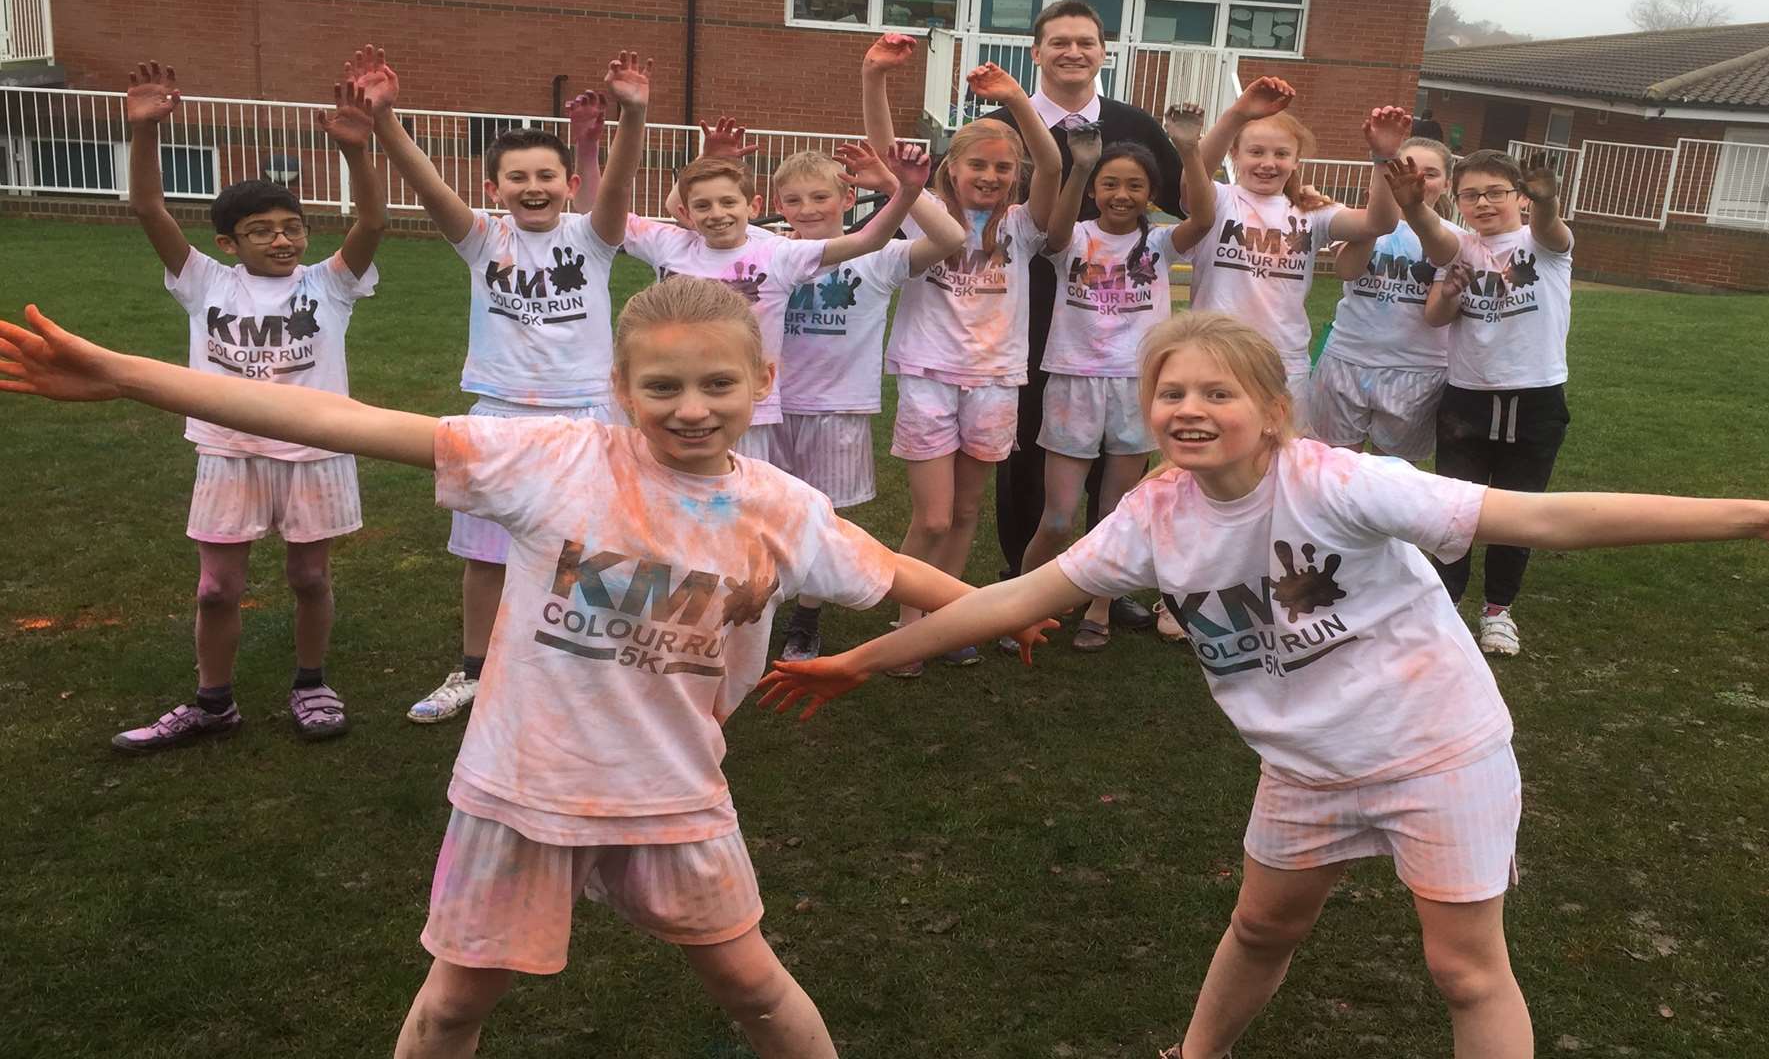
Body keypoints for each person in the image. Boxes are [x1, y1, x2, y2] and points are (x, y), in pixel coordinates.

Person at [753, 311, 1769, 1059]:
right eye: (1171, 395)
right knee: (1262, 921)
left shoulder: (1345, 483)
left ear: (1272, 409)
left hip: (1435, 744)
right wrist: (862, 655)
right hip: (1304, 765)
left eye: (1217, 393)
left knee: (1464, 966)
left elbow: (1542, 516)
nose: (1190, 411)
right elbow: (1017, 598)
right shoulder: (1152, 516)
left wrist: (1756, 516)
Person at [0, 283, 1052, 1059]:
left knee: (756, 990)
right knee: (455, 1001)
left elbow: (890, 568)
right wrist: (128, 374)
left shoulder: (783, 508)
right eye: (664, 386)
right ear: (620, 387)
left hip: (674, 797)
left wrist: (995, 608)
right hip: (523, 790)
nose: (692, 407)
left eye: (719, 383)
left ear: (762, 382)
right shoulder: (556, 462)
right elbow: (347, 422)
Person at [352, 45, 656, 726]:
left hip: (586, 416)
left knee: (593, 550)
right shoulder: (483, 239)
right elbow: (428, 185)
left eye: (546, 174)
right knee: (486, 556)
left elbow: (621, 185)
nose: (533, 186)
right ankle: (475, 672)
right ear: (495, 190)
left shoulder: (594, 237)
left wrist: (633, 115)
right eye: (516, 177)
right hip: (496, 418)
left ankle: (600, 671)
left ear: (568, 184)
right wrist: (386, 121)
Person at [109, 60, 387, 753]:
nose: (282, 239)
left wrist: (357, 149)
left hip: (316, 446)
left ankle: (312, 684)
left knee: (310, 575)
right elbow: (150, 209)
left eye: (291, 226)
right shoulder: (203, 280)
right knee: (215, 589)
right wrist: (143, 135)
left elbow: (374, 218)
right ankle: (213, 703)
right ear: (229, 244)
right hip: (227, 450)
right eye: (261, 230)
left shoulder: (331, 284)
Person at [984, 1, 1191, 618]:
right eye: (1059, 42)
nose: (1073, 52)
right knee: (1027, 439)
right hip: (1021, 301)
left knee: (1120, 451)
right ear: (1037, 52)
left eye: (1086, 42)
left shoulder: (1133, 124)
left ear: (1104, 52)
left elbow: (1187, 196)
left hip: (1117, 313)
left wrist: (1293, 195)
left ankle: (1106, 581)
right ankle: (1022, 574)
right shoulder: (1004, 125)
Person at [859, 58, 1062, 676]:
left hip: (997, 380)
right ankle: (907, 626)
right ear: (952, 168)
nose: (992, 176)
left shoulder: (1023, 228)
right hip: (928, 376)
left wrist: (1016, 99)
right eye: (979, 164)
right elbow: (889, 155)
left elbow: (1052, 165)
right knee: (934, 516)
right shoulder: (923, 215)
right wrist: (875, 79)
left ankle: (947, 622)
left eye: (1003, 168)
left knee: (969, 512)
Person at [1019, 106, 1214, 651]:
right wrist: (1079, 167)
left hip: (1136, 386)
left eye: (1135, 185)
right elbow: (1053, 234)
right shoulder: (1075, 237)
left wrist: (1190, 148)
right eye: (1110, 183)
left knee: (1114, 514)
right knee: (1057, 517)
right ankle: (1022, 603)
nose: (1121, 194)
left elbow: (1202, 216)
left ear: (1151, 192)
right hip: (1073, 382)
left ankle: (1099, 605)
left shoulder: (1159, 243)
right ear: (1096, 189)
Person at [621, 133, 930, 470]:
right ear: (686, 213)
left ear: (753, 207)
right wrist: (703, 161)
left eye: (728, 203)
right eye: (703, 207)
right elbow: (605, 213)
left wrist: (908, 193)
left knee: (750, 503)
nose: (716, 213)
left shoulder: (777, 254)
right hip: (676, 399)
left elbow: (868, 240)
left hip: (749, 407)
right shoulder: (671, 243)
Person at [768, 144, 966, 661]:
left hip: (840, 409)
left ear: (846, 197)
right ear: (779, 204)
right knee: (763, 509)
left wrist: (905, 190)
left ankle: (806, 618)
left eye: (820, 196)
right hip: (768, 407)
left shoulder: (878, 257)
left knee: (821, 519)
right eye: (794, 200)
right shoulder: (770, 252)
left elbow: (950, 239)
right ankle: (758, 600)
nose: (808, 208)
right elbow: (688, 217)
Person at [1424, 150, 1572, 656]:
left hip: (1535, 397)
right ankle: (1444, 605)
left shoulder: (1543, 244)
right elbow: (1436, 318)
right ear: (1457, 199)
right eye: (1470, 194)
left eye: (1495, 192)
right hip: (1467, 399)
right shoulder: (1459, 248)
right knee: (1454, 510)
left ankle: (1498, 611)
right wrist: (1450, 291)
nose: (1483, 203)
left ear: (1519, 196)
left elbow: (1552, 228)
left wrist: (1546, 200)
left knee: (1519, 511)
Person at [1188, 77, 1408, 415]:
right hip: (1215, 351)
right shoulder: (1219, 200)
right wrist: (1236, 115)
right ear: (1234, 155)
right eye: (1256, 152)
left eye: (1281, 154)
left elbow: (1378, 224)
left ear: (1296, 162)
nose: (1268, 163)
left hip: (1283, 357)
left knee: (1282, 453)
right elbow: (1192, 180)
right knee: (1212, 445)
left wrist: (1383, 158)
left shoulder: (1311, 212)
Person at [1307, 136, 1463, 460]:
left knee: (1390, 479)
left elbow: (1436, 314)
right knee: (1332, 469)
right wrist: (1376, 221)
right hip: (1347, 360)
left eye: (1430, 173)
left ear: (1448, 183)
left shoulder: (1458, 239)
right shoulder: (1363, 224)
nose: (1415, 179)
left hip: (1416, 371)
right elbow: (1347, 271)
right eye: (1405, 169)